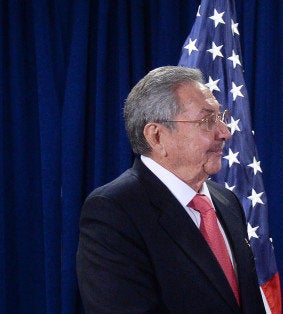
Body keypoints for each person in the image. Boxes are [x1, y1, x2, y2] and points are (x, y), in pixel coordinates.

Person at [76, 66, 265, 313]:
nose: (225, 133)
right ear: (156, 136)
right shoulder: (114, 210)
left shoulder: (226, 201)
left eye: (221, 117)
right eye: (208, 120)